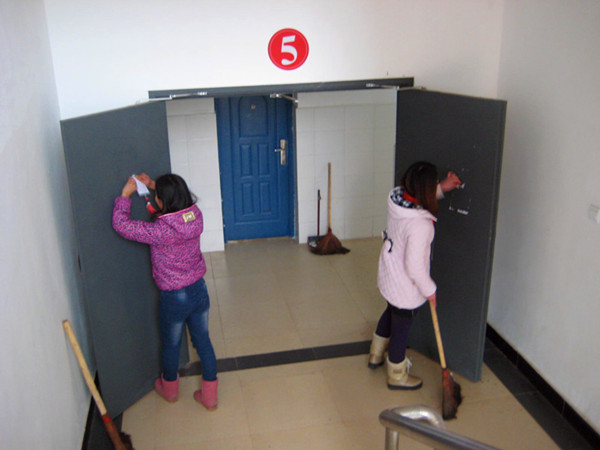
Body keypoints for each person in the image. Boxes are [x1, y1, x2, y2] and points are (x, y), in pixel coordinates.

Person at [112, 173, 218, 410]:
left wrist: (125, 196)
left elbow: (122, 225)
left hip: (174, 297)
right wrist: (153, 185)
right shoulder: (195, 216)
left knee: (171, 344)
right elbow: (174, 211)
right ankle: (210, 396)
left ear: (162, 200)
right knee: (203, 342)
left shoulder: (160, 231)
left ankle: (170, 390)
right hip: (199, 289)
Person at [368, 162, 461, 390]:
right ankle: (397, 375)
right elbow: (415, 268)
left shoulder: (396, 200)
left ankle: (375, 354)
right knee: (401, 330)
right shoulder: (421, 226)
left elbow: (417, 199)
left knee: (390, 312)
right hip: (405, 286)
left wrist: (442, 188)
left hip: (389, 274)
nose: (437, 184)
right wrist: (430, 290)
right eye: (435, 183)